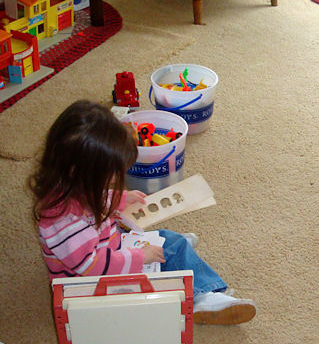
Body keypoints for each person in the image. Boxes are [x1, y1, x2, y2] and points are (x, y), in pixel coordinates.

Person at [29, 100, 256, 325]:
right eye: (109, 177)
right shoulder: (66, 223)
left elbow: (96, 200)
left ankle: (177, 257)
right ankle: (203, 298)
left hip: (109, 252)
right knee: (170, 249)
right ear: (80, 173)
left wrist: (121, 199)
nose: (115, 182)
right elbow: (93, 268)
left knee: (168, 239)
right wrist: (139, 258)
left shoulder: (74, 188)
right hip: (92, 290)